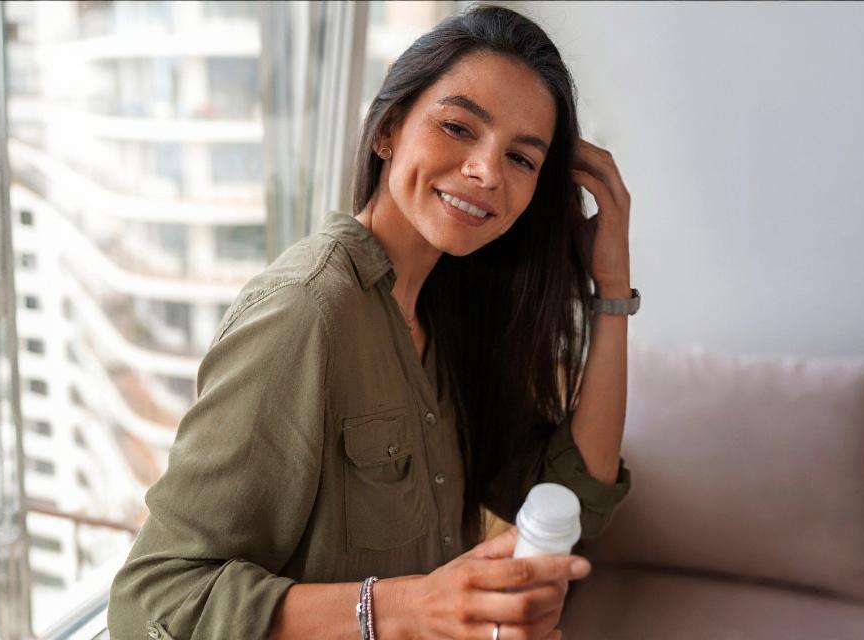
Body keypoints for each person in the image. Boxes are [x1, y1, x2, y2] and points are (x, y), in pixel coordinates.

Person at [109, 5, 636, 639]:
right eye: (457, 127)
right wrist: (409, 608)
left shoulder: (453, 314)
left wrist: (609, 289)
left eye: (522, 160)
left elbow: (574, 498)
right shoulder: (304, 314)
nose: (487, 171)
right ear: (389, 128)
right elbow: (151, 603)